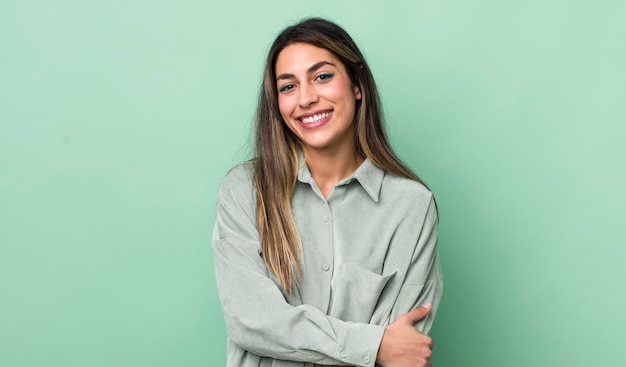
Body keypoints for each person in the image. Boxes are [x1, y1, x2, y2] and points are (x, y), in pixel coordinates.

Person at [212, 17, 443, 367]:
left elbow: (404, 350)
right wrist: (373, 345)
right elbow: (251, 321)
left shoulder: (411, 207)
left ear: (357, 84)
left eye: (322, 76)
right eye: (288, 87)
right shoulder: (245, 192)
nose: (305, 98)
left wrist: (384, 347)